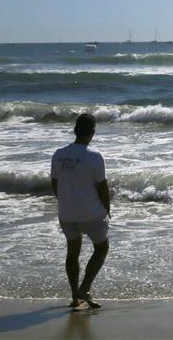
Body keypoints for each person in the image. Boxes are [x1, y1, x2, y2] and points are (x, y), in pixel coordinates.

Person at [50, 114, 111, 309]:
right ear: (92, 132)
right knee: (101, 248)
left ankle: (75, 297)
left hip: (67, 213)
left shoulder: (59, 154)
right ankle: (84, 288)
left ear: (75, 130)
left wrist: (66, 202)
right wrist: (107, 208)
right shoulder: (94, 156)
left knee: (72, 252)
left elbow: (55, 183)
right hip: (91, 213)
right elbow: (102, 187)